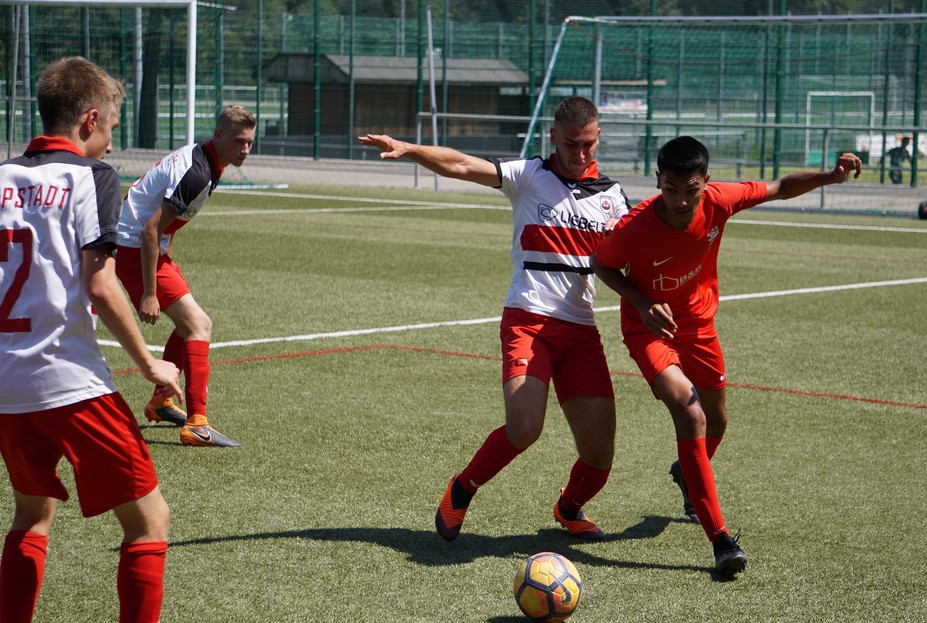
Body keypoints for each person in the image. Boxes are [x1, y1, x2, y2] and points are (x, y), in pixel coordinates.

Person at [359, 97, 630, 542]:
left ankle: (569, 507)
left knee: (600, 457)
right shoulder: (529, 175)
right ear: (552, 137)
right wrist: (410, 149)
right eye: (569, 144)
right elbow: (462, 164)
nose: (579, 154)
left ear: (598, 137)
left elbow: (631, 259)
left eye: (587, 144)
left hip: (581, 330)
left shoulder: (614, 197)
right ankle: (462, 488)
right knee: (525, 427)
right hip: (528, 319)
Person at [591, 136, 863, 576]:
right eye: (671, 189)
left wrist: (830, 177)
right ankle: (720, 539)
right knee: (690, 413)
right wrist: (641, 302)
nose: (681, 201)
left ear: (706, 182)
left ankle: (687, 473)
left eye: (691, 190)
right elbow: (601, 264)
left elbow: (779, 187)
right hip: (650, 331)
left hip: (700, 328)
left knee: (717, 422)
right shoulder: (633, 229)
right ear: (658, 181)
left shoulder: (720, 201)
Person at [0, 57, 183, 623]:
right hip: (69, 380)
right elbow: (101, 284)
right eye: (111, 129)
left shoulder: (1, 177)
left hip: (7, 386)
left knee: (31, 515)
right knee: (149, 521)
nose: (110, 142)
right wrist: (151, 363)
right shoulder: (90, 176)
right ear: (89, 120)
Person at [115, 104, 256, 447]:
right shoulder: (198, 172)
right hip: (134, 247)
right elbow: (150, 230)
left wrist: (166, 253)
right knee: (199, 326)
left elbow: (167, 222)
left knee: (186, 326)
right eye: (239, 141)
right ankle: (197, 424)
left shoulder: (209, 161)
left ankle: (161, 402)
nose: (245, 149)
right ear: (218, 135)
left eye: (250, 142)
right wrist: (150, 292)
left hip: (142, 246)